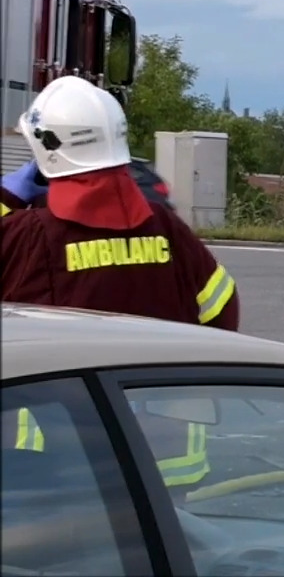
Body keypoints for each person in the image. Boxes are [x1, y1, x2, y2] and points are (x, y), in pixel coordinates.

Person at [1, 75, 239, 494]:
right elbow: (223, 311)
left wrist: (8, 196)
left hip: (57, 463)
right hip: (169, 459)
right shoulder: (167, 228)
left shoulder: (29, 233)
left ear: (45, 149)